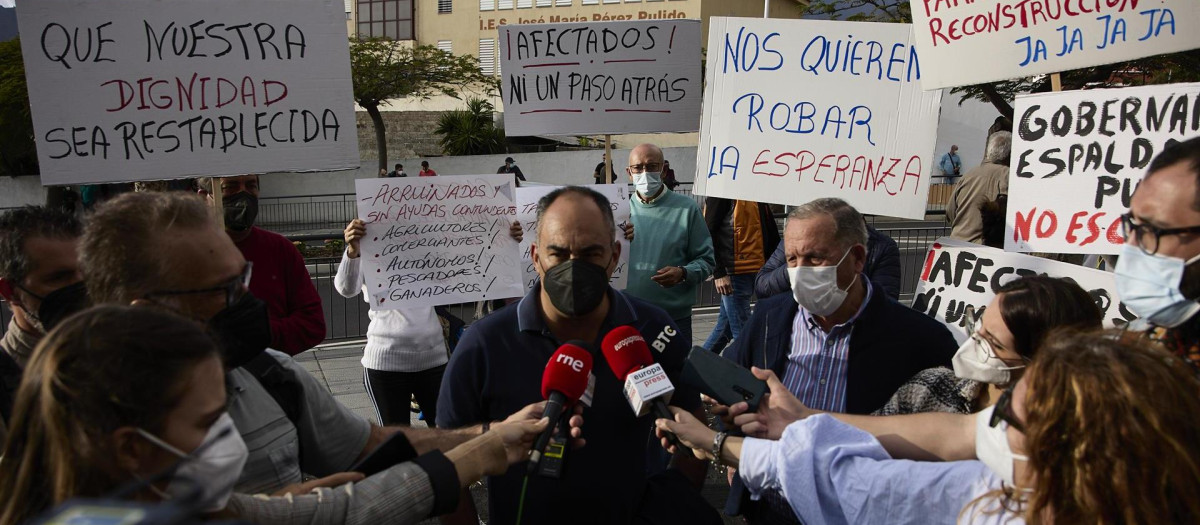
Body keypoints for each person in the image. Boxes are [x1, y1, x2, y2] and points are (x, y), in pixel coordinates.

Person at [77, 191, 585, 499]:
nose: (246, 301)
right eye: (224, 290)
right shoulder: (81, 446)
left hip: (431, 356)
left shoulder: (274, 377)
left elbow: (370, 447)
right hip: (384, 359)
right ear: (149, 314)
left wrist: (498, 435)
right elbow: (329, 507)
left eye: (243, 279)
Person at [0, 305, 574, 525]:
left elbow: (339, 504)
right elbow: (356, 512)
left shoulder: (201, 507)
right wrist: (488, 449)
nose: (229, 437)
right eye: (207, 424)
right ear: (130, 447)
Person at [660, 331, 1200, 524]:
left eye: (1010, 419)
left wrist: (714, 444)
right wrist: (800, 420)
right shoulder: (1010, 485)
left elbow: (853, 485)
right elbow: (950, 435)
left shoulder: (988, 504)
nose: (989, 426)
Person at [437, 186, 714, 525]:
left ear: (614, 255)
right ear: (536, 256)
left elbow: (696, 428)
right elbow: (448, 461)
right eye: (558, 254)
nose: (573, 267)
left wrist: (672, 504)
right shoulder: (484, 344)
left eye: (589, 254)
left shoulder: (654, 329)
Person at [721, 198, 957, 524]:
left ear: (857, 258)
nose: (801, 270)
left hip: (865, 511)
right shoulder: (768, 318)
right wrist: (735, 454)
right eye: (792, 259)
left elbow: (946, 444)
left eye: (815, 257)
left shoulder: (922, 340)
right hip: (773, 506)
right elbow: (730, 380)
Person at [337, 218, 524, 426]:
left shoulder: (433, 249)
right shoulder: (371, 253)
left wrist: (507, 243)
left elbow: (476, 268)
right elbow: (346, 289)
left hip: (434, 360)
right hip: (385, 363)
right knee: (396, 439)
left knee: (447, 431)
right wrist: (353, 251)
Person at [877, 276, 1102, 416]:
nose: (975, 340)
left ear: (1044, 364)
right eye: (977, 325)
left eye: (993, 342)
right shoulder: (927, 388)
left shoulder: (1076, 440)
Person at [197, 175, 326, 356]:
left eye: (251, 186)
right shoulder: (187, 254)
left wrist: (259, 331)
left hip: (269, 377)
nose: (244, 194)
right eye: (230, 186)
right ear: (204, 197)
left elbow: (313, 325)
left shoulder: (280, 248)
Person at [0, 206, 88, 435]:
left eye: (87, 273)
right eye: (59, 277)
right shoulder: (6, 387)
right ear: (9, 290)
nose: (81, 287)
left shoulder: (125, 353)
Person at [625, 143, 715, 347]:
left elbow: (707, 261)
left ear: (664, 170)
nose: (645, 173)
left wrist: (683, 273)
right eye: (638, 168)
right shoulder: (617, 212)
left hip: (673, 320)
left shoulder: (687, 209)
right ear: (629, 173)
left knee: (676, 377)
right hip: (627, 318)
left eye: (651, 166)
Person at [702, 197, 779, 354]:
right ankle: (750, 374)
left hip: (752, 267)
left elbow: (768, 230)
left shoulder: (754, 191)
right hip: (734, 271)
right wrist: (719, 272)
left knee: (725, 328)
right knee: (743, 332)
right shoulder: (722, 194)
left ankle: (693, 368)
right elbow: (707, 233)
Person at [756, 220, 901, 300]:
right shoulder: (798, 237)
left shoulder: (881, 247)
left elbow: (885, 306)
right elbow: (762, 285)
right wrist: (799, 266)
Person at [947, 132, 1011, 244]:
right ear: (1009, 154)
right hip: (985, 249)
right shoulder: (1008, 175)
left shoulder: (968, 175)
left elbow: (950, 212)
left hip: (956, 244)